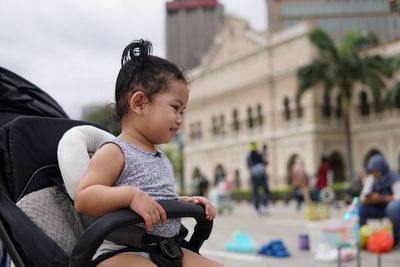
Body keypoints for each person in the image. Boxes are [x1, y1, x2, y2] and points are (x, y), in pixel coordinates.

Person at [74, 40, 223, 267]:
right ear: (139, 103)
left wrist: (184, 202)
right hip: (120, 251)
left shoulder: (161, 158)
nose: (180, 119)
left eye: (183, 111)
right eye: (175, 108)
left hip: (167, 248)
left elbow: (157, 201)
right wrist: (130, 196)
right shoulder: (115, 152)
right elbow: (84, 198)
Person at [359, 154, 400, 247]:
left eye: (376, 171)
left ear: (382, 169)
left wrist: (382, 198)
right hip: (378, 209)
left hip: (392, 210)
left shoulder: (394, 177)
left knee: (393, 207)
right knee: (362, 208)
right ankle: (364, 238)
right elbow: (362, 197)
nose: (374, 174)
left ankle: (397, 239)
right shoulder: (371, 179)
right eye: (372, 171)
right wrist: (369, 200)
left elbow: (399, 196)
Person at [246, 142, 269, 216]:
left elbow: (248, 166)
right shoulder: (260, 154)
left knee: (255, 192)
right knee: (265, 190)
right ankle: (264, 206)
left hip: (254, 175)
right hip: (262, 174)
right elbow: (266, 162)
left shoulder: (248, 156)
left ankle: (257, 209)